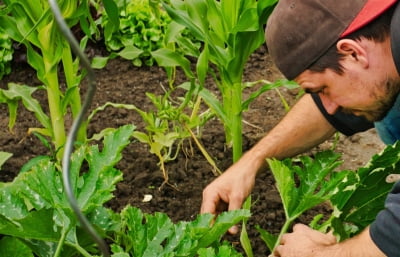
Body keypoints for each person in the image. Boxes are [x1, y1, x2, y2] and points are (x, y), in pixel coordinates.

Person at [200, 0, 400, 256]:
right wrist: (251, 162)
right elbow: (334, 102)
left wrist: (318, 254)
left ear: (353, 52)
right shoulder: (383, 46)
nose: (329, 107)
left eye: (322, 89)